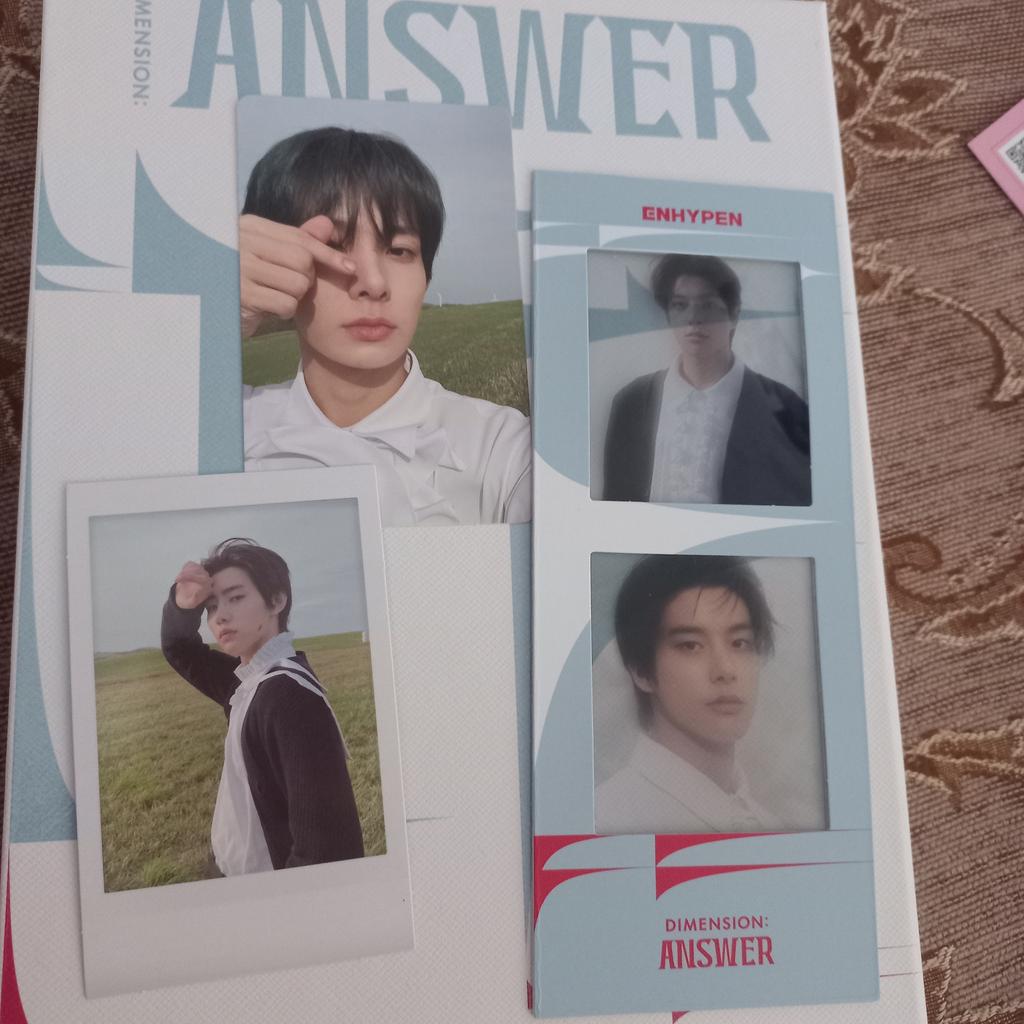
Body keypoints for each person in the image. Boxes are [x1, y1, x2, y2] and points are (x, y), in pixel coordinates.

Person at [238, 126, 531, 527]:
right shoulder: (227, 425)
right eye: (332, 247)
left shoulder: (503, 448)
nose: (374, 283)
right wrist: (217, 312)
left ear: (426, 275)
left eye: (399, 250)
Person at [161, 538, 364, 876]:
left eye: (236, 598)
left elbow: (326, 853)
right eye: (211, 607)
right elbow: (179, 649)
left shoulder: (288, 696)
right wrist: (184, 605)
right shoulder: (248, 681)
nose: (220, 617)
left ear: (276, 601)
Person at [602, 254, 810, 506]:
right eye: (680, 305)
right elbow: (613, 505)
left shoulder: (785, 409)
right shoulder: (630, 403)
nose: (693, 318)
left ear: (734, 315)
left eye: (707, 305)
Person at [595, 555, 781, 835]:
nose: (725, 670)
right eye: (691, 646)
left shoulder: (772, 825)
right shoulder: (605, 820)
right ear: (642, 672)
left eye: (739, 643)